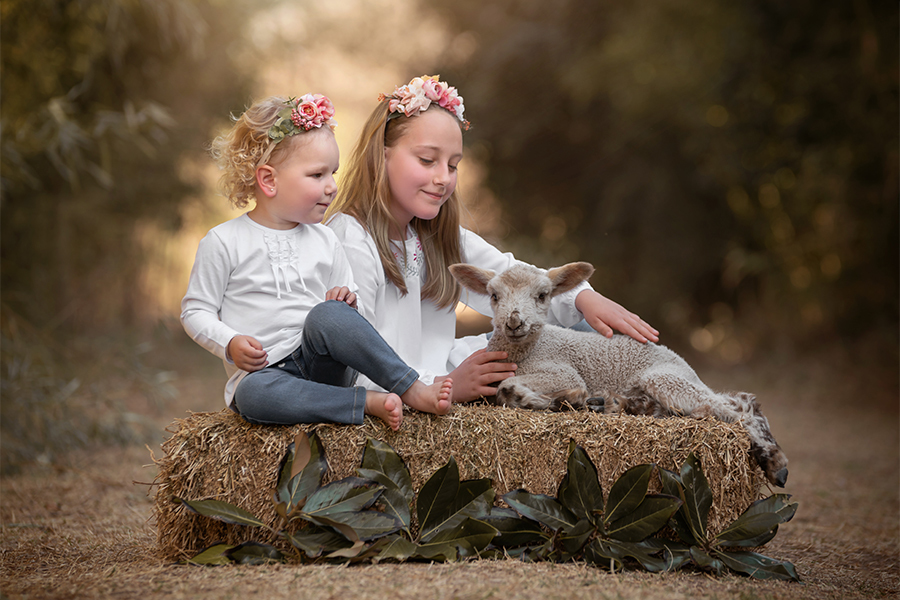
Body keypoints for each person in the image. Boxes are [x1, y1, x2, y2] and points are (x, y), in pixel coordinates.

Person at [326, 75, 659, 403]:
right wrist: (445, 386)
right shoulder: (352, 237)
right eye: (427, 160)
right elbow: (355, 363)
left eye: (453, 165)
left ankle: (670, 397)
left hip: (451, 367)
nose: (443, 178)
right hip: (413, 387)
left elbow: (516, 279)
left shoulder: (436, 235)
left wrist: (583, 298)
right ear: (381, 156)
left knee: (583, 332)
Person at [181, 93, 451, 431]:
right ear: (269, 180)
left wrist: (347, 302)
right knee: (250, 395)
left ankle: (410, 387)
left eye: (333, 173)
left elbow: (353, 312)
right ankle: (363, 403)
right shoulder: (224, 241)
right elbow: (195, 311)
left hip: (323, 363)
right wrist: (230, 342)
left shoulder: (326, 239)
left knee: (328, 314)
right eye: (317, 175)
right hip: (267, 374)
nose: (332, 187)